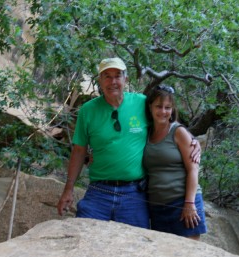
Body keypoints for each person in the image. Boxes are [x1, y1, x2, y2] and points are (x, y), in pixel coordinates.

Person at [57, 58, 201, 229]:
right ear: (100, 81)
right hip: (99, 191)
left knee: (138, 244)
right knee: (82, 232)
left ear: (126, 79)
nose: (113, 82)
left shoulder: (141, 103)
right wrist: (68, 189)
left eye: (118, 76)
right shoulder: (88, 110)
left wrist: (191, 139)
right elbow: (79, 150)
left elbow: (165, 121)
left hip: (134, 193)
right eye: (107, 76)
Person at [143, 84, 207, 240]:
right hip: (157, 207)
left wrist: (189, 203)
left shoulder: (178, 132)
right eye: (159, 106)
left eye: (168, 107)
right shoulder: (146, 132)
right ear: (150, 106)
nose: (163, 112)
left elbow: (193, 169)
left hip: (183, 203)